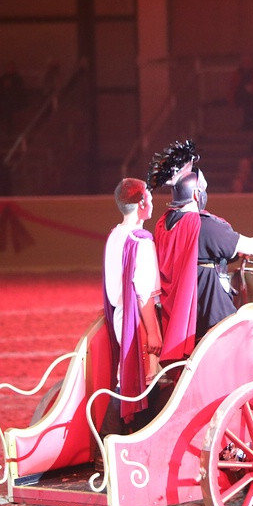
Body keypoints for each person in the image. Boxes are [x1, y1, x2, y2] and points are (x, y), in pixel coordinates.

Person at [148, 140, 253, 363]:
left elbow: (198, 255)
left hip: (179, 313)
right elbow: (247, 245)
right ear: (197, 195)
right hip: (211, 313)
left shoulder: (165, 223)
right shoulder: (203, 225)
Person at [102, 177, 162, 433]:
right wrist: (153, 332)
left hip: (120, 318)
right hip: (136, 321)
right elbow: (143, 292)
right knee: (147, 380)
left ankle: (110, 436)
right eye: (149, 196)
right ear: (140, 203)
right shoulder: (141, 240)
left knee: (125, 376)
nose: (152, 200)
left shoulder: (114, 236)